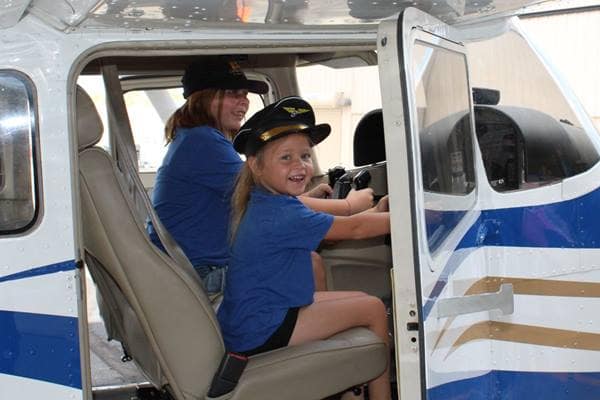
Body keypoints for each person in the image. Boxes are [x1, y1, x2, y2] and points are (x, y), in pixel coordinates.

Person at [148, 57, 374, 295]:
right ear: (205, 97)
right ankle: (305, 330)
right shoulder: (202, 142)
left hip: (191, 269)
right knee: (308, 264)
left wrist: (308, 196)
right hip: (202, 274)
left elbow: (264, 201)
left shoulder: (193, 138)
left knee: (306, 259)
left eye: (245, 94)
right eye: (233, 93)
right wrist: (349, 205)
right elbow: (267, 198)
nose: (243, 102)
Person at [218, 96, 391, 399]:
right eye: (285, 158)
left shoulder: (270, 202)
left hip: (253, 322)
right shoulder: (284, 212)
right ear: (256, 165)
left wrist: (380, 213)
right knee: (374, 308)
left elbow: (345, 223)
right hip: (264, 328)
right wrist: (416, 214)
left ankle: (346, 389)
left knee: (357, 296)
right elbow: (355, 228)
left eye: (305, 156)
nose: (300, 165)